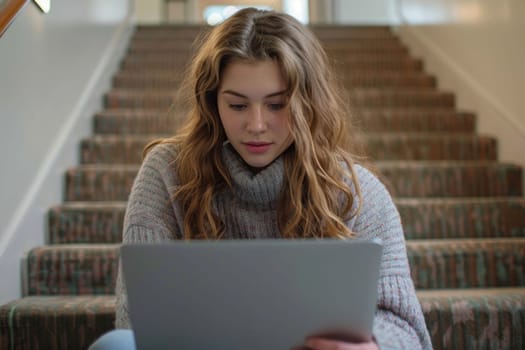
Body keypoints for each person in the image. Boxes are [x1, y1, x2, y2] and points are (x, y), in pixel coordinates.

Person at [90, 7, 432, 350]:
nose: (256, 125)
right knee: (114, 345)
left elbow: (407, 329)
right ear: (212, 103)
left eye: (277, 105)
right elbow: (137, 321)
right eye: (238, 106)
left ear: (307, 103)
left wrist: (372, 347)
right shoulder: (166, 173)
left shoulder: (356, 190)